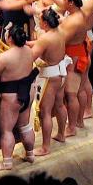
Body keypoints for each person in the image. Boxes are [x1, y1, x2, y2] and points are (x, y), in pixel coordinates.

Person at [0, 26, 38, 170]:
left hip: (11, 95)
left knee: (6, 130)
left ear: (10, 39)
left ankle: (7, 162)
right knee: (25, 125)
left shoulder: (5, 57)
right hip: (27, 91)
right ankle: (30, 154)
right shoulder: (29, 51)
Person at [31, 9, 71, 155]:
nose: (38, 21)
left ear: (46, 23)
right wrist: (30, 43)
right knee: (59, 105)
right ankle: (61, 134)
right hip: (61, 73)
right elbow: (41, 45)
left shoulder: (45, 38)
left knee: (45, 112)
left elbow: (32, 56)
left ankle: (45, 147)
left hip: (50, 76)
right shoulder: (60, 30)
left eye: (40, 19)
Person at [57, 0, 91, 138]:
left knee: (71, 94)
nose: (63, 2)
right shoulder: (79, 14)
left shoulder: (74, 20)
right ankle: (79, 122)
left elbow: (60, 40)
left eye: (65, 0)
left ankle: (71, 127)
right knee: (80, 90)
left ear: (71, 2)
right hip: (81, 53)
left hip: (74, 57)